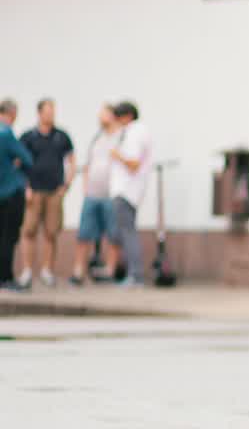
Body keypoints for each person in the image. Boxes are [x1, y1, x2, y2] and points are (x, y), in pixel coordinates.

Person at [17, 99, 75, 288]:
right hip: (34, 190)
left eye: (53, 111)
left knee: (51, 232)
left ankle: (47, 270)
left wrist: (66, 185)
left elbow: (71, 160)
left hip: (54, 191)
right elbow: (18, 163)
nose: (51, 115)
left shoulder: (61, 136)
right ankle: (26, 271)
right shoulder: (28, 136)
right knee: (29, 231)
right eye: (48, 111)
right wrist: (25, 186)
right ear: (39, 113)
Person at [70, 104, 123, 286]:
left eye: (103, 114)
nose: (100, 118)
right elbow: (88, 164)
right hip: (92, 193)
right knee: (84, 233)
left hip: (111, 194)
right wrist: (85, 187)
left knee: (113, 234)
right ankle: (78, 271)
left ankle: (110, 270)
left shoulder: (121, 137)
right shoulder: (97, 138)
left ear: (113, 115)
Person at [108, 101, 151, 288]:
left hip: (126, 190)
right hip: (130, 190)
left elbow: (133, 163)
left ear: (126, 116)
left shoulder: (134, 133)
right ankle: (133, 273)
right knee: (125, 232)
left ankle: (135, 275)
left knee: (127, 232)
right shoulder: (137, 132)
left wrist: (117, 155)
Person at [0, 98, 34, 292]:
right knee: (9, 236)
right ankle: (6, 277)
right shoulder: (6, 133)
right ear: (12, 113)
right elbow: (27, 159)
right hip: (10, 192)